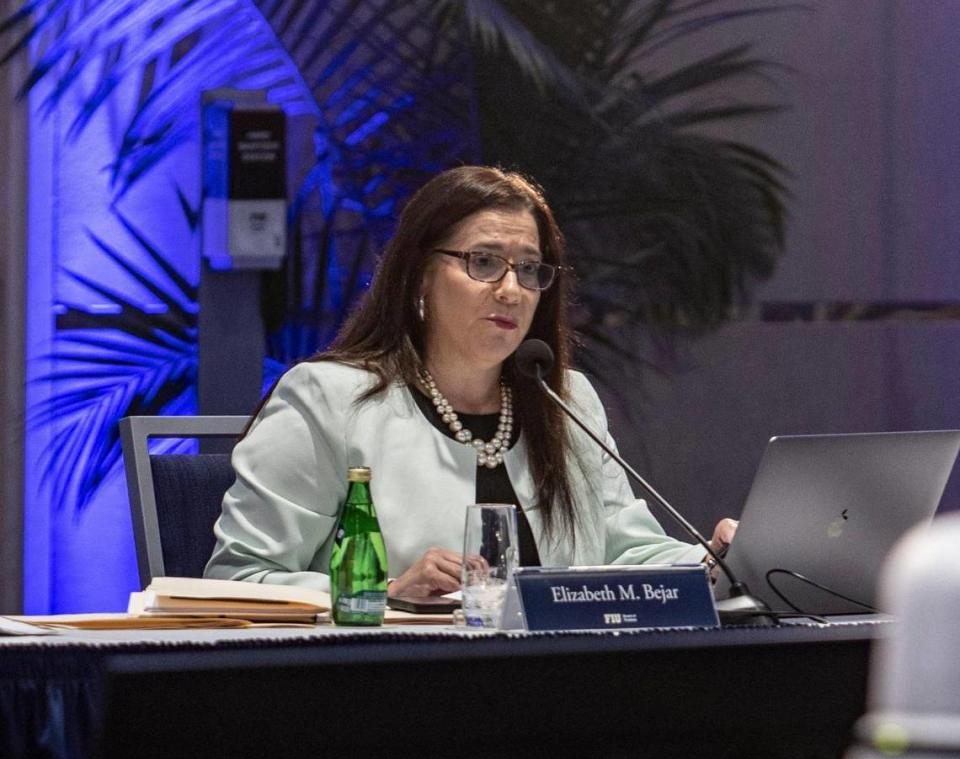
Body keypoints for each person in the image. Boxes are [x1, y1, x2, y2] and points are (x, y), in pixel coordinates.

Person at [205, 164, 736, 602]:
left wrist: (716, 563)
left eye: (530, 270)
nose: (512, 290)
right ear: (419, 275)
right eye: (484, 263)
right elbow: (237, 579)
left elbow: (627, 553)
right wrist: (381, 592)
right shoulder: (328, 400)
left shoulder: (567, 401)